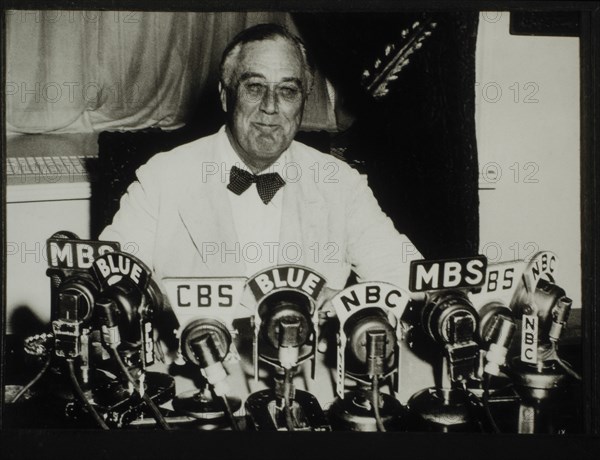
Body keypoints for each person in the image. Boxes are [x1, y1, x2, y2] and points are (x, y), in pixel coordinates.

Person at [99, 23, 421, 309]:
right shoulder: (161, 178)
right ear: (226, 96)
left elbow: (407, 276)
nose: (270, 107)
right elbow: (111, 281)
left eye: (287, 91)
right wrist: (167, 305)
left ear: (303, 101)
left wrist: (343, 304)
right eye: (254, 87)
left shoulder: (340, 183)